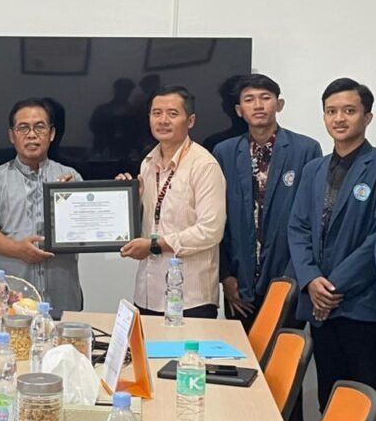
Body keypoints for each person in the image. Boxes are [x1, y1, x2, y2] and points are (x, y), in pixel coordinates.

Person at [288, 79, 376, 421]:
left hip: (362, 307)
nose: (339, 118)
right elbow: (298, 229)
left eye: (349, 111)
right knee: (330, 401)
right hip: (321, 307)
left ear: (367, 117)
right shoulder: (314, 169)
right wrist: (311, 280)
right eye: (332, 111)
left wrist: (332, 285)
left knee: (374, 403)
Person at [213, 74, 322, 325]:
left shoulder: (306, 150)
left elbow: (312, 220)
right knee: (239, 349)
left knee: (284, 346)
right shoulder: (224, 152)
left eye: (265, 98)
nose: (258, 105)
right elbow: (217, 219)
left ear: (279, 104)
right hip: (239, 285)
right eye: (249, 99)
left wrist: (295, 277)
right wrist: (226, 277)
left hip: (288, 280)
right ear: (239, 110)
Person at [117, 85, 227, 318]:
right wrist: (127, 200)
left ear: (191, 121)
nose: (163, 120)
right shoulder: (147, 164)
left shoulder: (204, 166)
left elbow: (211, 230)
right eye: (156, 113)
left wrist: (155, 245)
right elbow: (151, 221)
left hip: (190, 297)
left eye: (172, 114)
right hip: (147, 292)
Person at [0, 98, 82, 317]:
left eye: (39, 127)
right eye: (23, 128)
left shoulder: (71, 178)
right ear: (12, 135)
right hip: (12, 301)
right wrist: (18, 250)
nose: (32, 135)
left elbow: (87, 229)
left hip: (63, 295)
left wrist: (67, 202)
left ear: (52, 134)